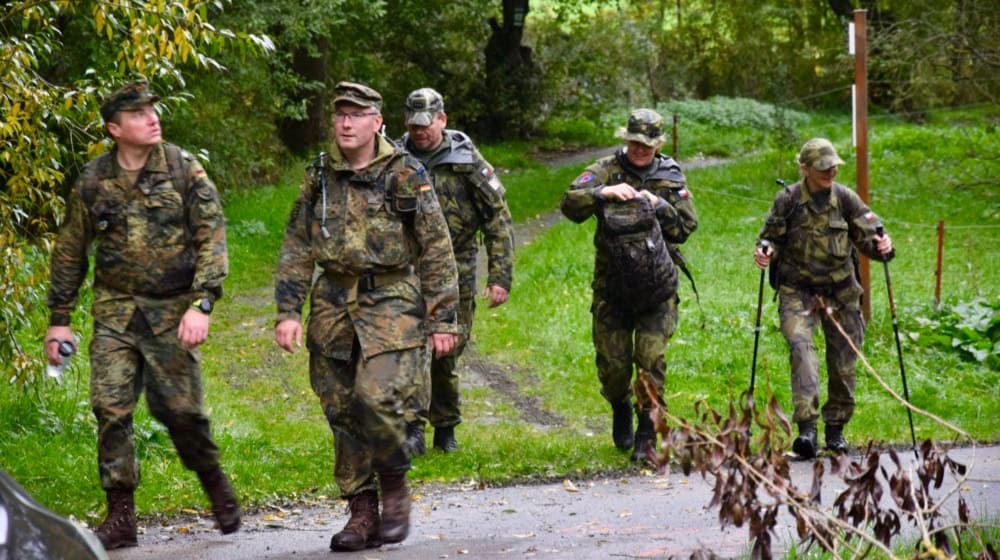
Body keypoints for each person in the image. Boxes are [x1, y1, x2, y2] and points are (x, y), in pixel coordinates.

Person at [44, 81, 240, 550]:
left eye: (153, 110)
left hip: (173, 308)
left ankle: (213, 480)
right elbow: (71, 249)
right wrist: (60, 317)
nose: (152, 118)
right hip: (116, 309)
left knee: (181, 412)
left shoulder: (182, 169)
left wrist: (203, 302)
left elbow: (211, 237)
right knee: (110, 408)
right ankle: (121, 514)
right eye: (138, 114)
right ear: (115, 128)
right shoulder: (93, 180)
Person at [273, 81, 460, 552]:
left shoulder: (404, 171)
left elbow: (436, 245)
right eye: (339, 115)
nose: (345, 122)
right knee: (340, 409)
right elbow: (297, 243)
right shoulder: (319, 174)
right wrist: (288, 310)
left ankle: (394, 481)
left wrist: (443, 319)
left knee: (377, 397)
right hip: (333, 301)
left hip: (391, 299)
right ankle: (361, 513)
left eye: (356, 114)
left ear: (376, 122)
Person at [559, 108, 698, 462]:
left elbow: (686, 226)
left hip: (657, 287)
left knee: (651, 359)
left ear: (659, 144)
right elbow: (569, 203)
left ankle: (647, 434)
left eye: (647, 145)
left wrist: (659, 204)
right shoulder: (605, 169)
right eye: (635, 143)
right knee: (614, 367)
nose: (640, 150)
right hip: (613, 287)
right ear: (626, 140)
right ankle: (620, 403)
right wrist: (602, 192)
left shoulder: (669, 173)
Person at [753, 138, 894, 459]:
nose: (830, 171)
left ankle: (835, 430)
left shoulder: (845, 199)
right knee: (802, 352)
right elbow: (769, 238)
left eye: (833, 166)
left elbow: (870, 236)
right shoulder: (787, 200)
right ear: (804, 168)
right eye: (822, 167)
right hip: (797, 292)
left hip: (841, 293)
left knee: (843, 363)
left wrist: (883, 247)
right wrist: (764, 252)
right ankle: (806, 430)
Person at [399, 87, 515, 454]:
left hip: (457, 269)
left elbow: (497, 218)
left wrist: (500, 277)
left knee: (445, 351)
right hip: (406, 270)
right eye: (414, 125)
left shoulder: (466, 161)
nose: (420, 131)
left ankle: (445, 427)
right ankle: (411, 429)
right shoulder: (394, 158)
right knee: (407, 349)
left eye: (427, 124)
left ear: (442, 120)